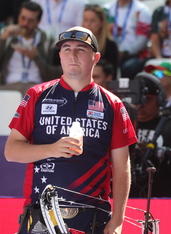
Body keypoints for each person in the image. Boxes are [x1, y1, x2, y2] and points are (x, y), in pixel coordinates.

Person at [4, 26, 137, 234]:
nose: (72, 55)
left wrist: (118, 221)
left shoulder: (113, 104)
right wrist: (53, 149)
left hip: (93, 216)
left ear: (96, 57)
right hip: (41, 215)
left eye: (81, 49)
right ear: (59, 56)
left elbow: (122, 168)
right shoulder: (37, 95)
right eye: (66, 48)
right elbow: (11, 152)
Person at [129, 72, 171, 198]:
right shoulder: (120, 124)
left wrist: (158, 152)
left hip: (163, 201)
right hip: (124, 202)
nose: (140, 106)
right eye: (137, 100)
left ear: (160, 99)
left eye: (148, 100)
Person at [0, 1, 61, 96]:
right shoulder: (6, 34)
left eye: (31, 20)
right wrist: (4, 38)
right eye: (22, 18)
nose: (25, 23)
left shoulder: (48, 41)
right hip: (8, 86)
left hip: (36, 86)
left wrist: (36, 57)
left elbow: (56, 74)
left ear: (38, 22)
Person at [107, 0, 151, 79]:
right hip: (111, 53)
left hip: (133, 55)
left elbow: (143, 39)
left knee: (129, 67)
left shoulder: (142, 11)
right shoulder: (108, 9)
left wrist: (126, 53)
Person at [83, 4, 119, 79]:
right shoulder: (77, 44)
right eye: (85, 20)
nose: (88, 24)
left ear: (101, 22)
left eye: (92, 21)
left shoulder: (110, 46)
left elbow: (112, 75)